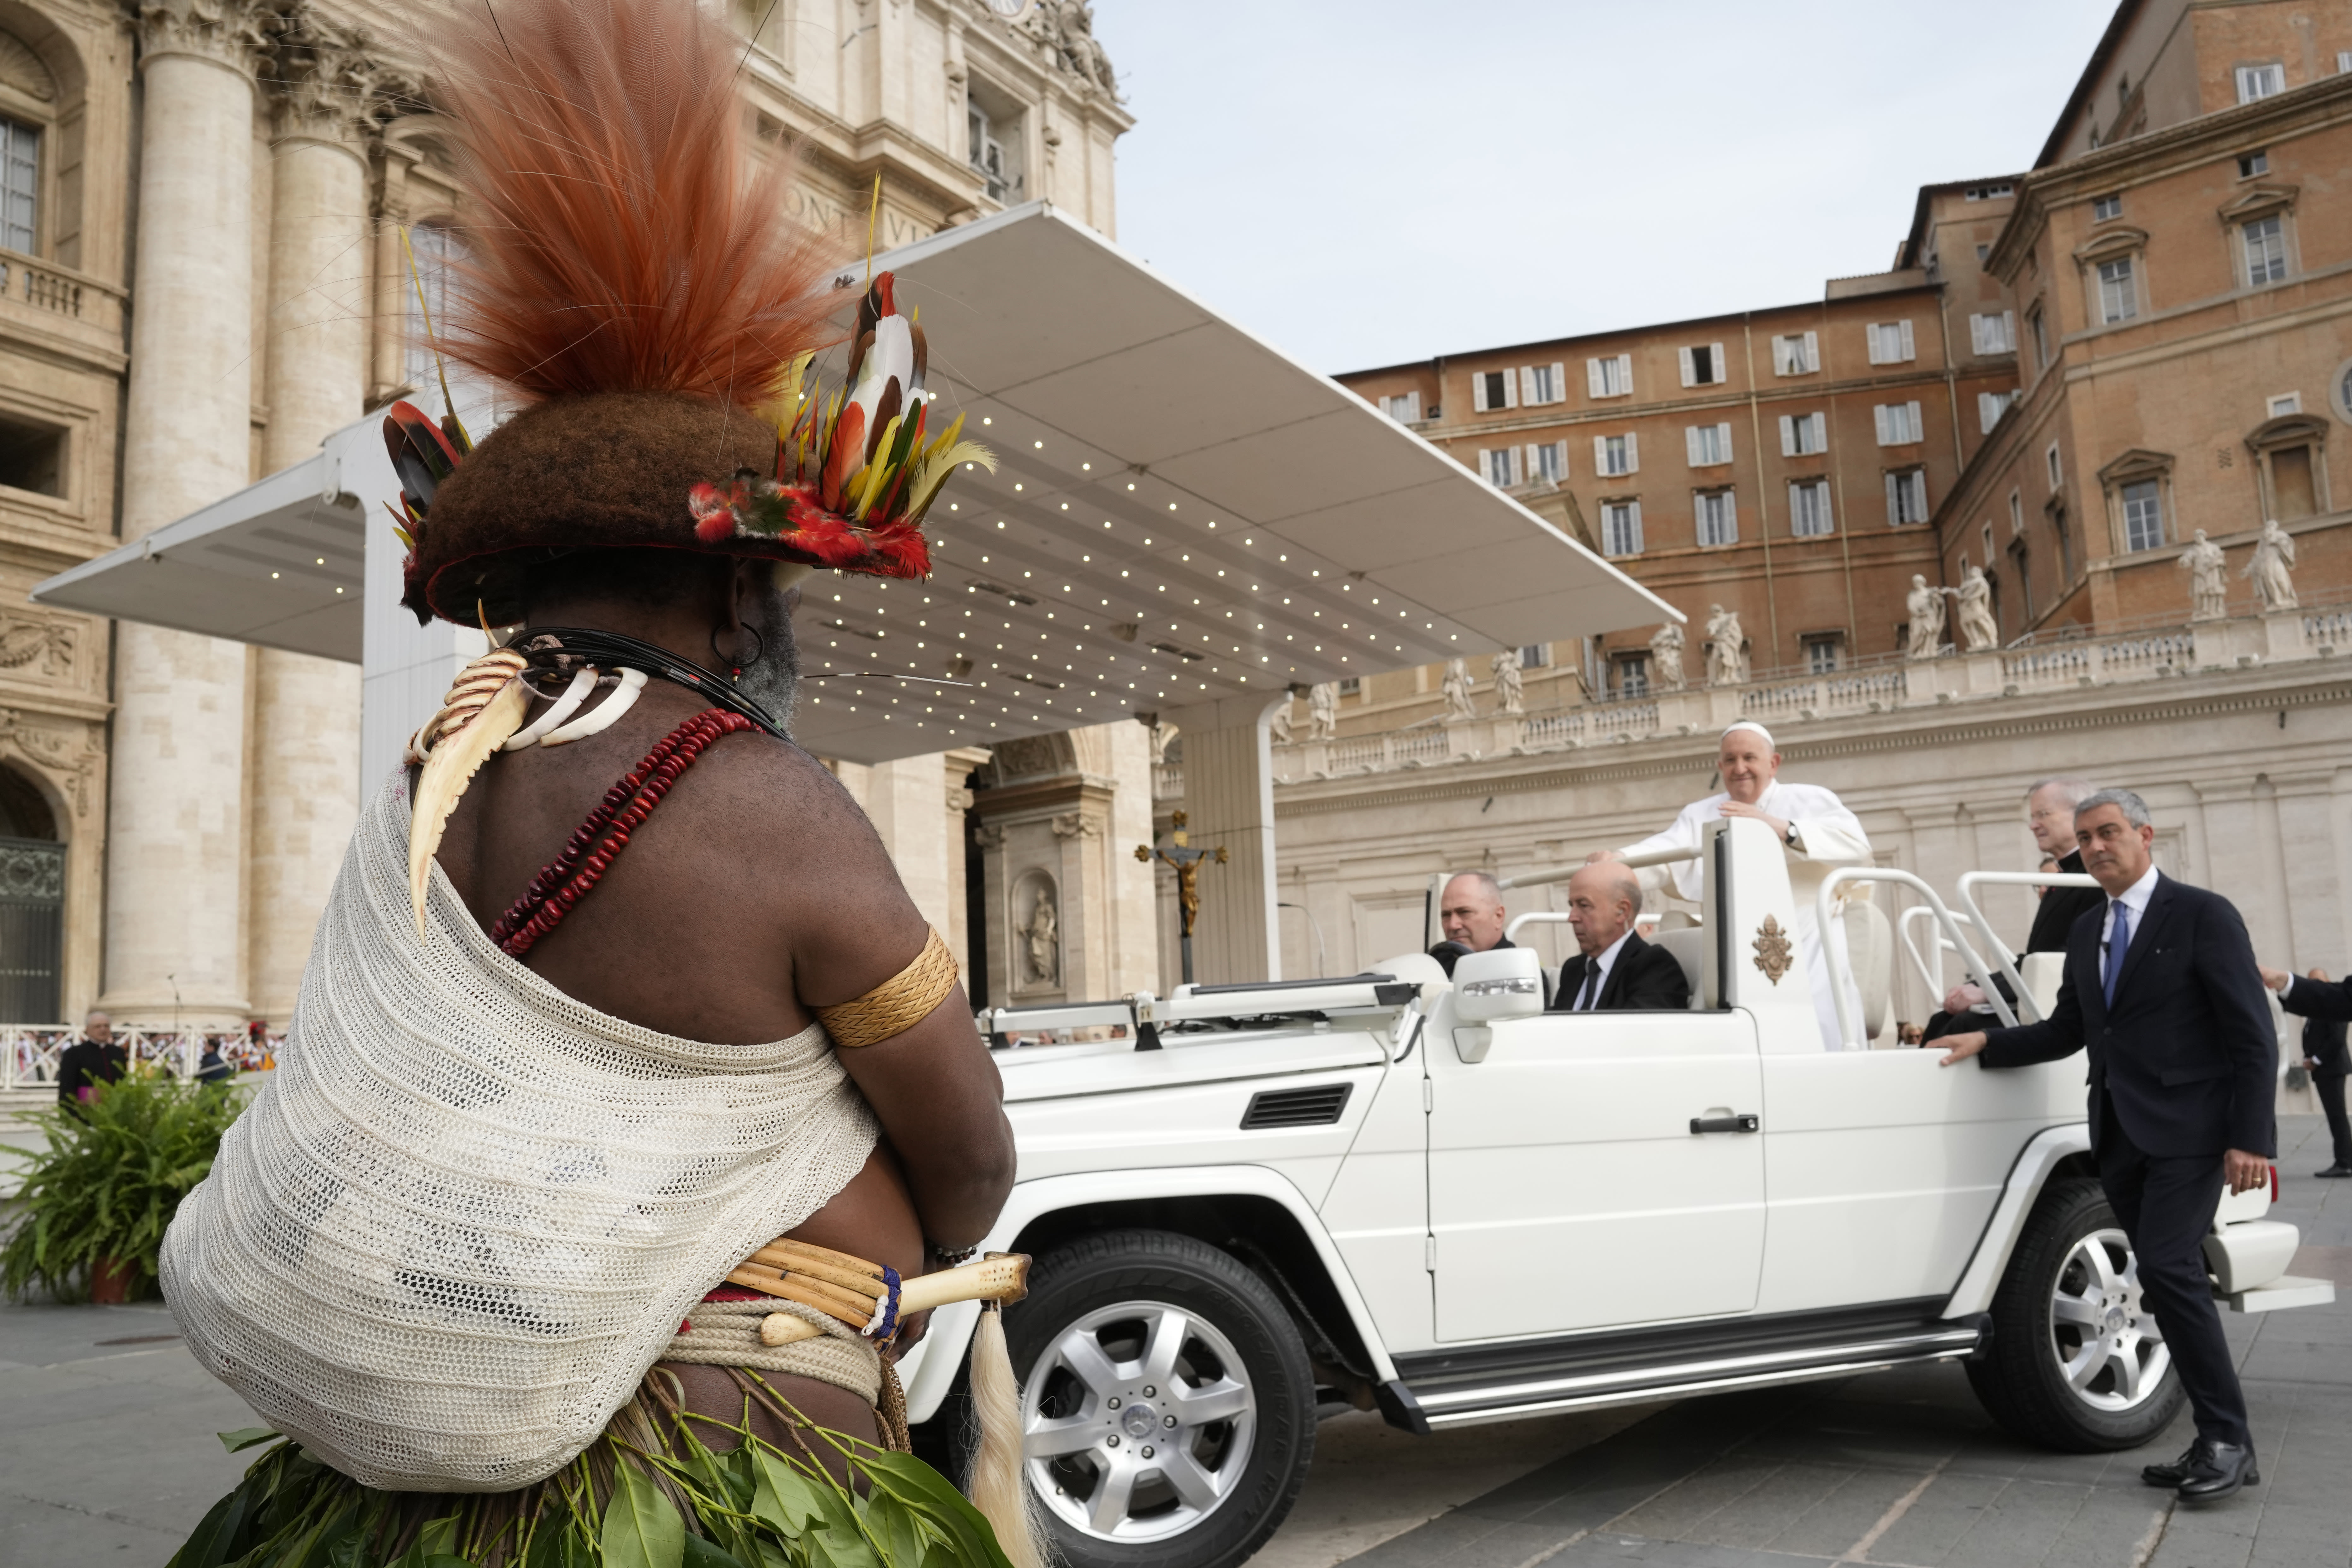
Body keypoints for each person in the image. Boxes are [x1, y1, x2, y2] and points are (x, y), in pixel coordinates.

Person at [157, 2, 1033, 1560]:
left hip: (397, 1505)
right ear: (727, 593)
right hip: (733, 1473)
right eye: (773, 591)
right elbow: (967, 1150)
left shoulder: (439, 779)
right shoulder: (761, 801)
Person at [1939, 788, 2275, 1506]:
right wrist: (1985, 1041)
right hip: (2117, 1131)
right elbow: (2066, 1030)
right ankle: (2213, 1437)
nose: (2094, 847)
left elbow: (2251, 1032)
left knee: (2166, 1266)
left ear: (2144, 835)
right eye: (2085, 837)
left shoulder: (2202, 915)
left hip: (2189, 1131)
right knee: (2164, 1279)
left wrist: (2252, 1137)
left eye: (2108, 832)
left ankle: (2227, 1440)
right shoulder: (2088, 926)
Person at [1596, 721, 1872, 1048]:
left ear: (1774, 763)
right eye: (1730, 760)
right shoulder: (1702, 813)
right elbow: (1664, 853)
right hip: (1735, 938)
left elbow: (1856, 845)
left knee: (1818, 1014)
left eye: (1749, 758)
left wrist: (1778, 827)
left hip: (1809, 930)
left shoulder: (1810, 799)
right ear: (1720, 766)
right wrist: (1617, 860)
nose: (1739, 768)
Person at [1927, 777, 2104, 1038]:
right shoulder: (2066, 878)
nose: (2033, 826)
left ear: (2082, 813)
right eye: (2032, 817)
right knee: (1943, 1019)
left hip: (2067, 1010)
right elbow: (2038, 959)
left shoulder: (2095, 877)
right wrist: (1980, 986)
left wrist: (1989, 991)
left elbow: (2065, 958)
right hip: (2041, 992)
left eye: (2043, 815)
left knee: (1959, 1028)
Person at [2254, 964, 2352, 1177]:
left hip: (2332, 1068)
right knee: (2335, 1116)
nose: (2314, 983)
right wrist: (2281, 981)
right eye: (2311, 980)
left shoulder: (2333, 1012)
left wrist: (2317, 1060)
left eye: (2318, 980)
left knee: (2338, 1116)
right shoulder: (2320, 1009)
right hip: (2322, 1068)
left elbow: (2336, 1039)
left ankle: (2345, 1161)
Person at [1550, 863, 1689, 1011]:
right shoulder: (1573, 969)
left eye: (1584, 905)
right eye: (1572, 906)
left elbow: (1638, 1032)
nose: (1572, 917)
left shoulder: (1655, 967)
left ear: (1622, 911)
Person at [54, 1010, 126, 1108]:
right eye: (98, 1026)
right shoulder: (73, 1053)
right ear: (87, 1029)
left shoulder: (118, 1052)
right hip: (84, 1109)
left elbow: (123, 1082)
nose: (103, 1029)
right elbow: (67, 1087)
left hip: (114, 1109)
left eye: (106, 1026)